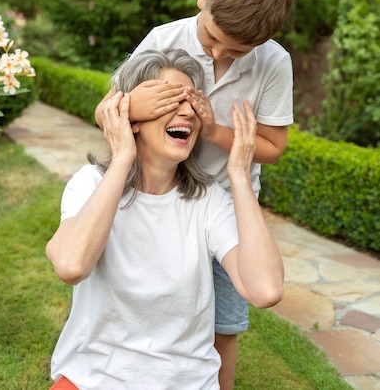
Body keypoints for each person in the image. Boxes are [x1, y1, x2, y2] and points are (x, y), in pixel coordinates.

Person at [95, 0, 296, 389]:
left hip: (226, 202)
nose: (220, 52)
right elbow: (105, 112)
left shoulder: (274, 63)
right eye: (212, 37)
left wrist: (214, 131)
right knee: (146, 303)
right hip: (160, 196)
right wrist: (133, 105)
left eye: (238, 50)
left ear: (262, 43)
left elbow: (273, 146)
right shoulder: (164, 38)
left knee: (223, 323)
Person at [47, 49, 284, 390]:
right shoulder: (91, 184)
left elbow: (265, 290)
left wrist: (239, 174)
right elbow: (71, 266)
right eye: (171, 100)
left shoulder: (208, 202)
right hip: (93, 379)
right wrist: (123, 155)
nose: (187, 111)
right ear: (134, 118)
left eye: (190, 100)